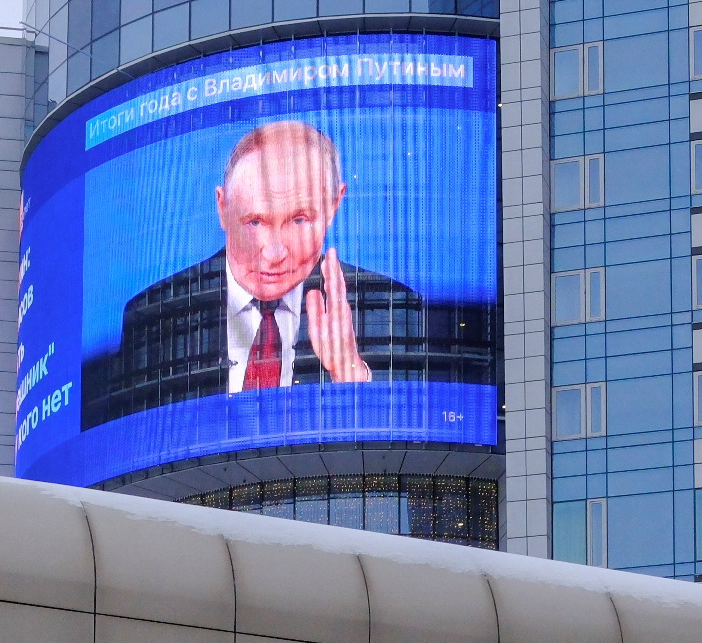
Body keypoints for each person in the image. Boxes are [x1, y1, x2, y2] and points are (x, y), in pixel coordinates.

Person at [81, 119, 497, 426]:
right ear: (222, 207)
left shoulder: (389, 306)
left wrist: (350, 373)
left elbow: (415, 441)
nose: (274, 252)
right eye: (256, 222)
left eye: (299, 220)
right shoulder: (157, 315)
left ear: (335, 205)